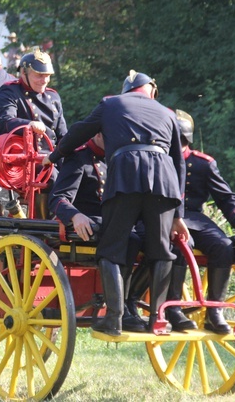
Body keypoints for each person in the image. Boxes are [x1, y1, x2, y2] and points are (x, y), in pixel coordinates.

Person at [45, 70, 190, 336]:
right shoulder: (168, 113)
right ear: (152, 91)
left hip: (126, 175)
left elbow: (79, 131)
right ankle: (157, 319)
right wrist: (178, 214)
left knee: (111, 249)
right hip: (164, 181)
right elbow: (179, 165)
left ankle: (114, 318)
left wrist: (54, 156)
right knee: (161, 251)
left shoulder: (111, 103)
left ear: (127, 91)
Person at [167, 110, 235, 334]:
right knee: (181, 243)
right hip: (165, 216)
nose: (180, 145)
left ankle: (215, 311)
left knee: (224, 246)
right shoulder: (159, 160)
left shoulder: (203, 164)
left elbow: (226, 197)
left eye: (183, 140)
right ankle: (173, 306)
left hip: (195, 217)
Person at [49, 133, 147, 332]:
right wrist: (75, 215)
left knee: (155, 241)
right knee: (131, 239)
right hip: (88, 222)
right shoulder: (79, 157)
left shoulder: (120, 157)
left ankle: (129, 303)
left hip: (117, 221)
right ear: (100, 133)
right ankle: (121, 312)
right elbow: (58, 198)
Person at [0, 49, 67, 157]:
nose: (44, 81)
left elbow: (62, 136)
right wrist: (29, 125)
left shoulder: (53, 96)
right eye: (39, 75)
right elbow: (3, 122)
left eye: (47, 76)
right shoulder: (10, 92)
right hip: (25, 161)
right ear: (24, 72)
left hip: (52, 160)